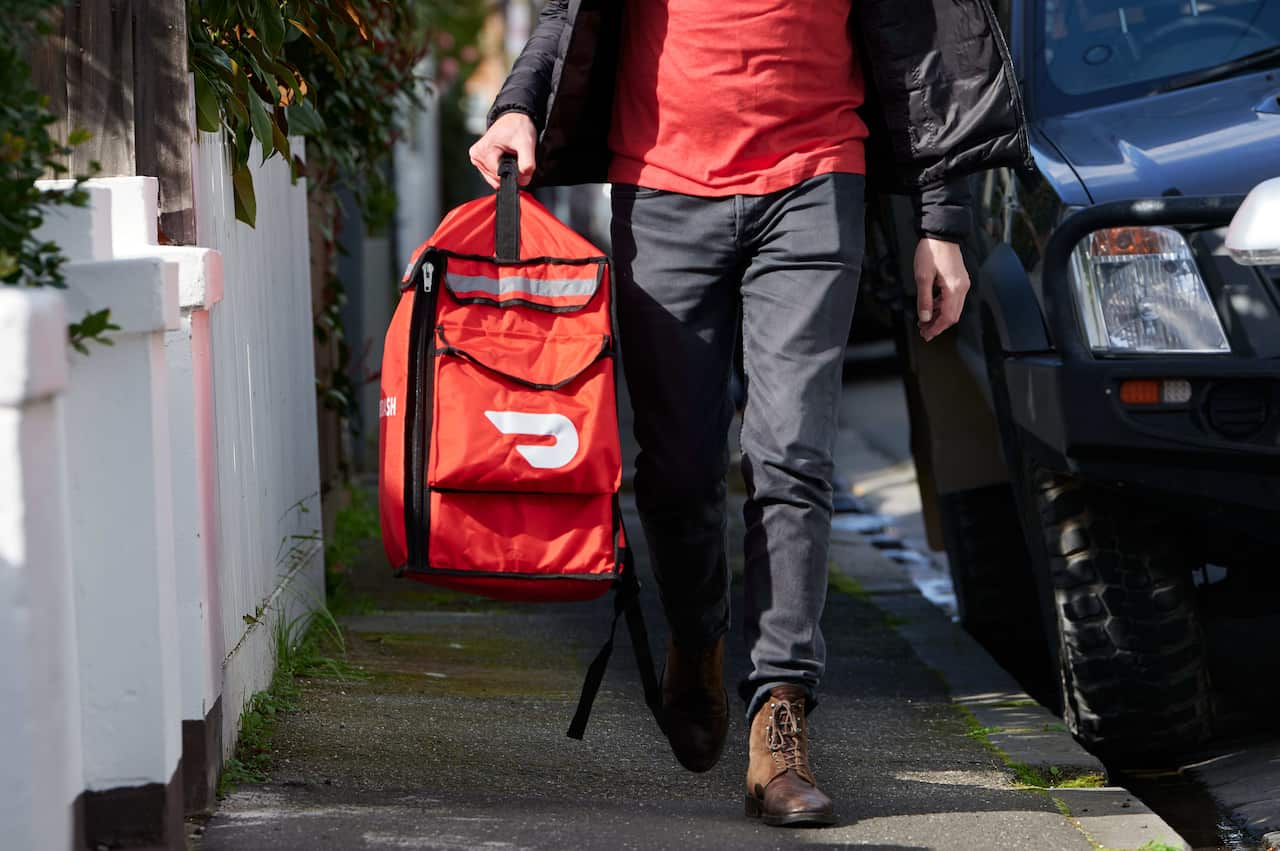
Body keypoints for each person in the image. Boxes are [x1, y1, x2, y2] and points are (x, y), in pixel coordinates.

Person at [469, 0, 1028, 828]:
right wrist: (518, 107)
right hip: (661, 188)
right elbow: (565, 12)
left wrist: (939, 223)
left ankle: (781, 715)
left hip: (814, 180)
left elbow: (918, 40)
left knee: (791, 453)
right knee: (678, 462)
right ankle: (696, 635)